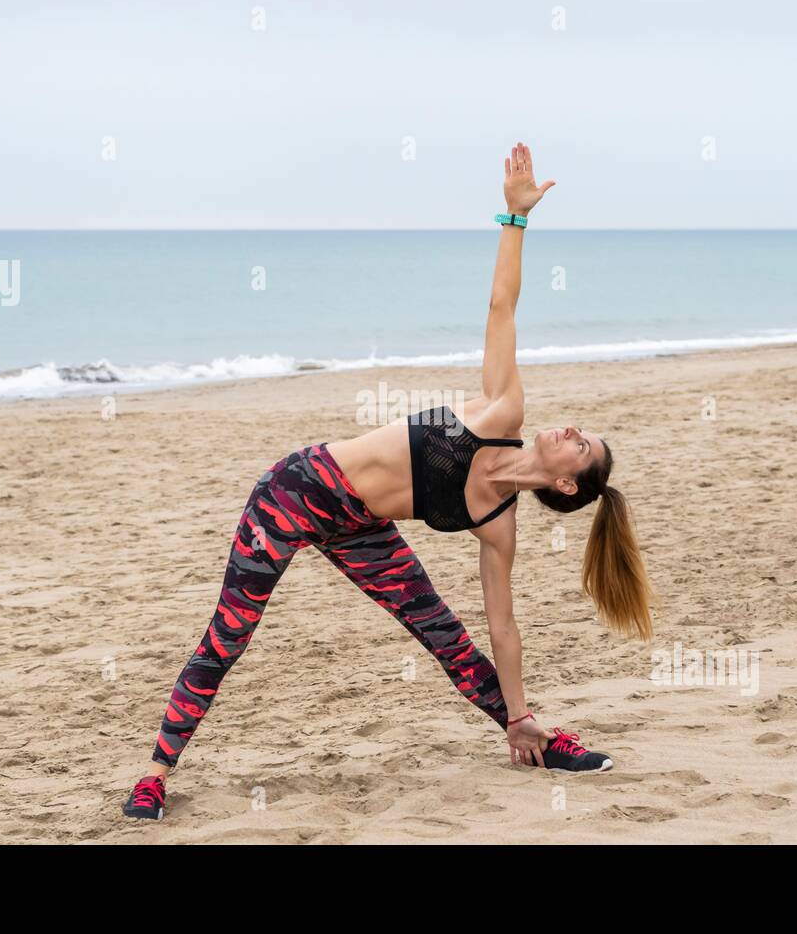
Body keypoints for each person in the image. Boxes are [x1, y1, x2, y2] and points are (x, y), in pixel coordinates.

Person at [123, 143, 652, 820]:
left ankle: (529, 735)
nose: (569, 431)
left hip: (360, 528)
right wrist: (515, 221)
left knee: (444, 635)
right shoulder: (500, 413)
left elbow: (503, 627)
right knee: (228, 637)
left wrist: (519, 708)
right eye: (578, 430)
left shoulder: (499, 524)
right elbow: (501, 308)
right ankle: (154, 777)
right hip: (294, 492)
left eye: (581, 446)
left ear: (569, 485)